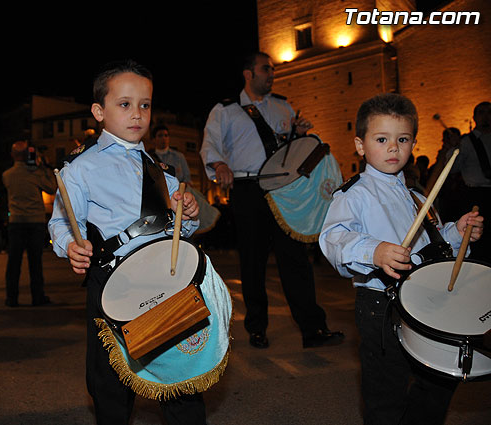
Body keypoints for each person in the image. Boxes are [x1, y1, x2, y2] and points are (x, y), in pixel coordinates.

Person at [48, 60, 203, 425]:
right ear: (99, 111)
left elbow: (178, 229)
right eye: (125, 104)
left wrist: (189, 213)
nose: (137, 114)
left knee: (181, 375)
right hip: (115, 280)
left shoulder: (159, 169)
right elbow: (61, 221)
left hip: (166, 278)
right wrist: (70, 245)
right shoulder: (81, 168)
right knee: (111, 382)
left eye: (145, 105)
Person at [319, 93, 484, 425]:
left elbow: (433, 243)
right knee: (386, 389)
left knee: (439, 377)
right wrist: (374, 251)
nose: (393, 147)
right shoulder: (354, 194)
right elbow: (333, 239)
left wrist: (457, 232)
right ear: (361, 145)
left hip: (425, 299)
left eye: (403, 139)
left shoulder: (417, 195)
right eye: (382, 139)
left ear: (413, 144)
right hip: (380, 305)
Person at [200, 51, 343, 349]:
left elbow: (289, 152)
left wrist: (298, 135)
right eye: (266, 69)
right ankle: (256, 327)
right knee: (253, 261)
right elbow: (210, 144)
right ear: (248, 74)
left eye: (273, 69)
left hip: (283, 190)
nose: (272, 74)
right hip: (247, 189)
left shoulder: (282, 106)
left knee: (295, 258)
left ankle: (313, 329)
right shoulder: (225, 110)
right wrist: (220, 164)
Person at [2, 140, 56, 307]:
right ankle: (37, 296)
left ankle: (12, 298)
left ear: (12, 155)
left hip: (16, 222)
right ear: (28, 155)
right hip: (35, 222)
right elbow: (52, 187)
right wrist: (43, 166)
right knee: (35, 262)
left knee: (14, 262)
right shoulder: (35, 173)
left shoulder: (7, 175)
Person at [448, 101, 491, 262]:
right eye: (481, 112)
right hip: (476, 195)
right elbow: (452, 168)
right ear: (474, 117)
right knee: (478, 240)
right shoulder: (467, 142)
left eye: (489, 112)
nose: (486, 116)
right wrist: (454, 148)